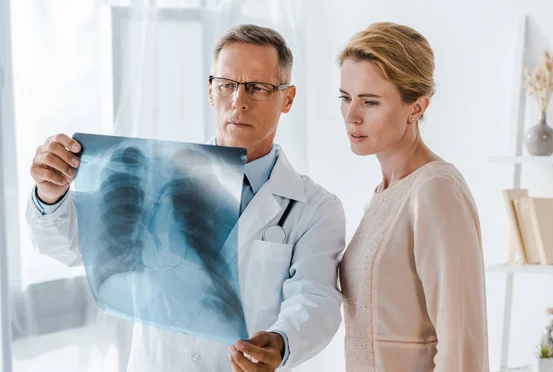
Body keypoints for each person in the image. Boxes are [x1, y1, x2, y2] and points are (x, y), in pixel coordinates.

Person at [26, 24, 346, 372]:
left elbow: (315, 299)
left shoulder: (315, 208)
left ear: (287, 98)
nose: (238, 101)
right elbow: (69, 248)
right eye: (227, 85)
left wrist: (284, 342)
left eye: (258, 88)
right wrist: (51, 192)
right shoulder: (155, 177)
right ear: (211, 91)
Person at [338, 22, 489, 371]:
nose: (352, 116)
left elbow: (462, 349)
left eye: (370, 102)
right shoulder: (384, 194)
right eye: (345, 97)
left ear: (417, 108)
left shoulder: (435, 190)